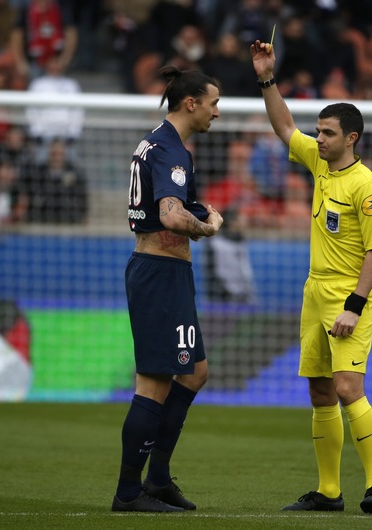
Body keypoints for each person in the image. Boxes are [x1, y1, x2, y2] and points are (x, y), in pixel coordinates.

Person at [251, 38, 372, 514]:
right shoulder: (320, 163)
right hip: (314, 291)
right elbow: (284, 126)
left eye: (328, 133)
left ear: (351, 137)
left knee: (349, 387)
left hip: (350, 296)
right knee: (320, 391)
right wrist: (267, 77)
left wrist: (353, 305)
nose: (320, 138)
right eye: (320, 132)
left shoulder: (366, 186)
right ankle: (329, 492)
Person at [112, 65, 223, 513]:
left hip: (166, 274)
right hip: (159, 275)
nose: (218, 113)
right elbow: (173, 216)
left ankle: (157, 478)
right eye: (214, 103)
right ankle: (127, 492)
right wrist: (208, 226)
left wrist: (195, 208)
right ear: (192, 102)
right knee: (154, 383)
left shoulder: (155, 141)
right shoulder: (172, 151)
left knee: (195, 373)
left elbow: (167, 207)